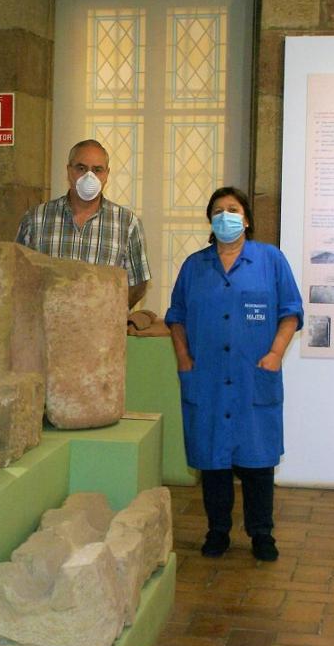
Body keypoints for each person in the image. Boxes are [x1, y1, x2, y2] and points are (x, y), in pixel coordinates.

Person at [165, 187, 303, 562]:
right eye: (218, 210)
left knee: (259, 463)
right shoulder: (195, 266)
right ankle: (218, 531)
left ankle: (262, 534)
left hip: (252, 376)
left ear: (245, 218)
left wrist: (276, 353)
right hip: (207, 378)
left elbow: (291, 311)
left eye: (233, 209)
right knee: (214, 463)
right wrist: (183, 359)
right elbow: (175, 317)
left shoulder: (270, 260)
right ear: (210, 221)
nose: (226, 216)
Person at [15, 139, 151, 308]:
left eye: (97, 170)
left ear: (106, 175)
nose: (89, 176)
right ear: (68, 171)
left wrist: (112, 313)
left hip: (100, 330)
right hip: (47, 329)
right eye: (81, 168)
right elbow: (16, 275)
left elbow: (138, 282)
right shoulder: (35, 219)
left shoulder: (127, 223)